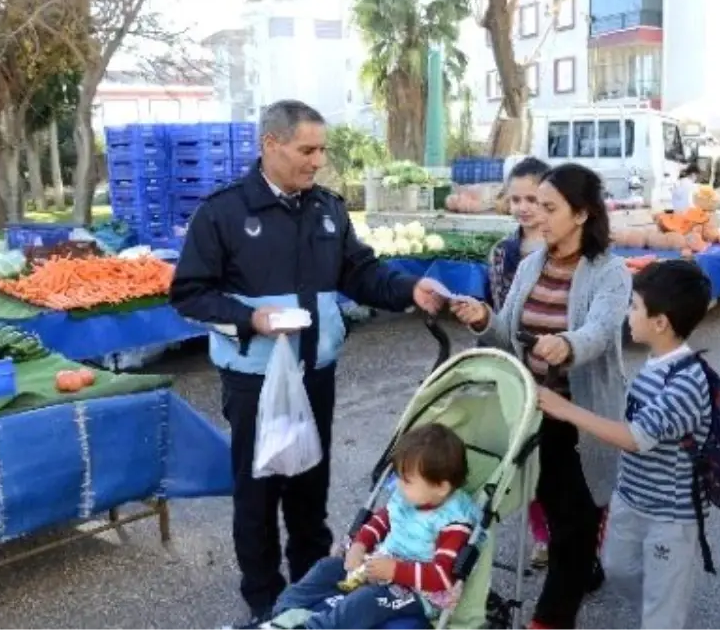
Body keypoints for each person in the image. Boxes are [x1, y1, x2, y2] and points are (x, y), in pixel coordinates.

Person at [169, 99, 445, 627]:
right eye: (307, 149)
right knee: (257, 496)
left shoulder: (326, 209)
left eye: (321, 149)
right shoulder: (224, 212)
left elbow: (361, 274)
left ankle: (310, 596)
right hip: (255, 382)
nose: (318, 160)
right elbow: (189, 294)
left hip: (315, 375)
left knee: (309, 493)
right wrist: (253, 320)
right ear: (271, 144)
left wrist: (412, 288)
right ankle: (264, 604)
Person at [449, 163, 631, 630]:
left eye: (550, 208)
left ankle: (550, 620)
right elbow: (508, 338)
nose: (536, 216)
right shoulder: (532, 264)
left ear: (582, 214)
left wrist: (569, 344)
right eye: (532, 205)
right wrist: (481, 319)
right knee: (545, 513)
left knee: (573, 529)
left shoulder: (610, 272)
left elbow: (602, 329)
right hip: (530, 413)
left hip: (581, 419)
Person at [535, 259, 712, 630]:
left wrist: (567, 410)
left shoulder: (687, 382)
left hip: (670, 515)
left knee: (662, 610)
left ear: (660, 322)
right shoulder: (655, 363)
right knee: (616, 568)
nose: (626, 315)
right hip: (632, 498)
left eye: (633, 307)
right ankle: (659, 607)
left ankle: (662, 615)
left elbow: (634, 438)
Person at [266, 424, 479, 630]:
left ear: (441, 487)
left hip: (414, 592)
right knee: (326, 567)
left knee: (366, 600)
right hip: (380, 566)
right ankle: (279, 615)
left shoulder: (453, 524)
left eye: (407, 481)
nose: (399, 486)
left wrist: (395, 571)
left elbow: (441, 576)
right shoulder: (409, 500)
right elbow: (379, 521)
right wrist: (360, 545)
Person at [485, 156, 552, 569]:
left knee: (570, 462)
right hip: (519, 367)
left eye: (533, 198)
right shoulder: (501, 255)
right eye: (516, 199)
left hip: (565, 371)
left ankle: (583, 540)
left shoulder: (571, 250)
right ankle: (542, 536)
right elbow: (499, 314)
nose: (524, 207)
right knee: (527, 458)